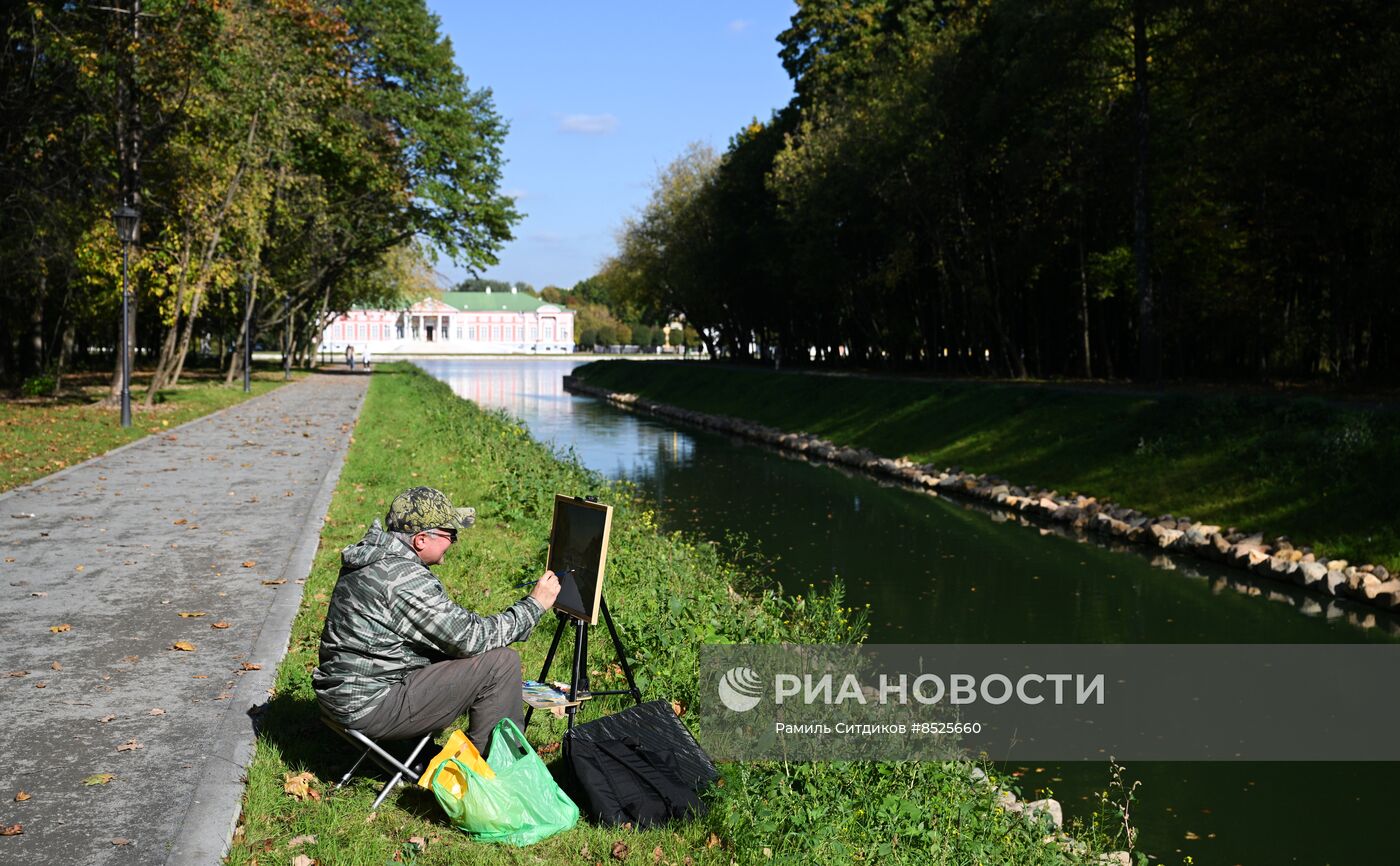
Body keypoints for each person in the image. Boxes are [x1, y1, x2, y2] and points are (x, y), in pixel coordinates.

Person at [314, 486, 561, 756]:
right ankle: (494, 775)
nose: (454, 542)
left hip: (344, 694)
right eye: (450, 534)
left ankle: (442, 758)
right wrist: (534, 605)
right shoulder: (403, 580)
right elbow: (472, 638)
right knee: (500, 664)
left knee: (466, 657)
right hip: (369, 706)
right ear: (420, 539)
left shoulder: (374, 556)